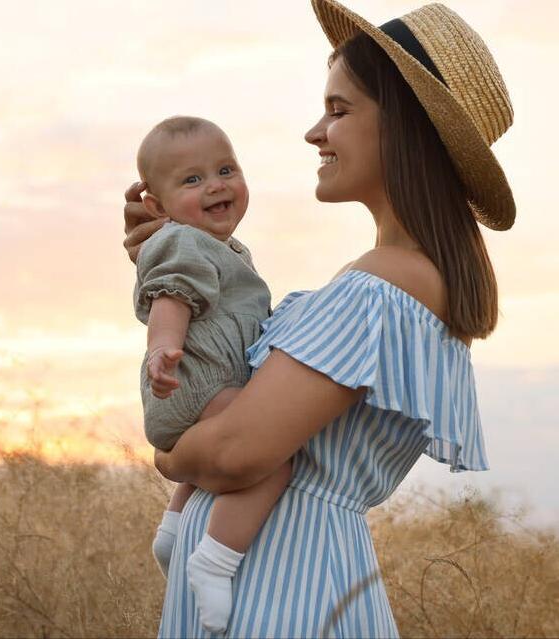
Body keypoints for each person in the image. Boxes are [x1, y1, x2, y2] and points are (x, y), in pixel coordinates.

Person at [122, 1, 515, 636]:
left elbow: (233, 453)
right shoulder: (392, 279)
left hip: (285, 594)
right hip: (282, 584)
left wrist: (171, 455)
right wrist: (180, 252)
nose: (314, 133)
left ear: (404, 129)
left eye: (339, 110)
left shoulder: (383, 287)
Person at [132, 116, 292, 634]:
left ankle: (175, 527)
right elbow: (170, 300)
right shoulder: (184, 242)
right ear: (157, 207)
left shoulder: (223, 250)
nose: (217, 185)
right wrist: (163, 350)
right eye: (193, 179)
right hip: (191, 383)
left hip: (196, 388)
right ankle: (216, 560)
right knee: (270, 454)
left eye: (226, 169)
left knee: (215, 460)